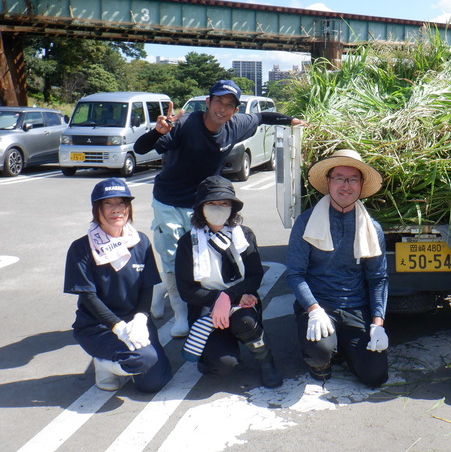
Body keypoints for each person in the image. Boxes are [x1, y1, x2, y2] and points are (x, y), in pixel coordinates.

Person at [134, 80, 305, 337]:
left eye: (229, 105)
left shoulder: (235, 126)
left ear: (235, 110)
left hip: (203, 204)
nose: (223, 109)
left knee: (199, 257)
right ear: (208, 102)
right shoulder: (182, 125)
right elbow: (140, 148)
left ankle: (163, 289)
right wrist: (158, 132)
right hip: (169, 200)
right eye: (218, 102)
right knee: (172, 255)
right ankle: (180, 314)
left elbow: (262, 117)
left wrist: (292, 121)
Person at [286, 149, 389, 387]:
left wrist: (378, 324)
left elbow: (378, 279)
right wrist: (313, 309)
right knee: (320, 352)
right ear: (329, 182)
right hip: (319, 303)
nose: (346, 185)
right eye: (340, 178)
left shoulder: (372, 228)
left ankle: (344, 346)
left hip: (355, 306)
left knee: (376, 376)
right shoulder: (306, 222)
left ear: (361, 185)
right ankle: (322, 356)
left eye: (353, 179)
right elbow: (295, 273)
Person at [63, 178, 172, 392]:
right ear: (97, 208)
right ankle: (104, 364)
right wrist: (118, 327)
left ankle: (122, 362)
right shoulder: (81, 248)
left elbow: (146, 286)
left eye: (121, 203)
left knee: (154, 382)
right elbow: (89, 298)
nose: (117, 209)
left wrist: (141, 318)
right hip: (99, 327)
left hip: (135, 323)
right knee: (143, 359)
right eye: (108, 203)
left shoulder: (140, 241)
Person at [174, 175, 282, 388]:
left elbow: (255, 275)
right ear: (200, 208)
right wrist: (217, 300)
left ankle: (266, 362)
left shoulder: (244, 235)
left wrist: (229, 296)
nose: (218, 208)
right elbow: (186, 290)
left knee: (246, 322)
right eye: (211, 203)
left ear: (232, 208)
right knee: (224, 365)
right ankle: (209, 355)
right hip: (205, 307)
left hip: (241, 300)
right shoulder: (188, 242)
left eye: (224, 203)